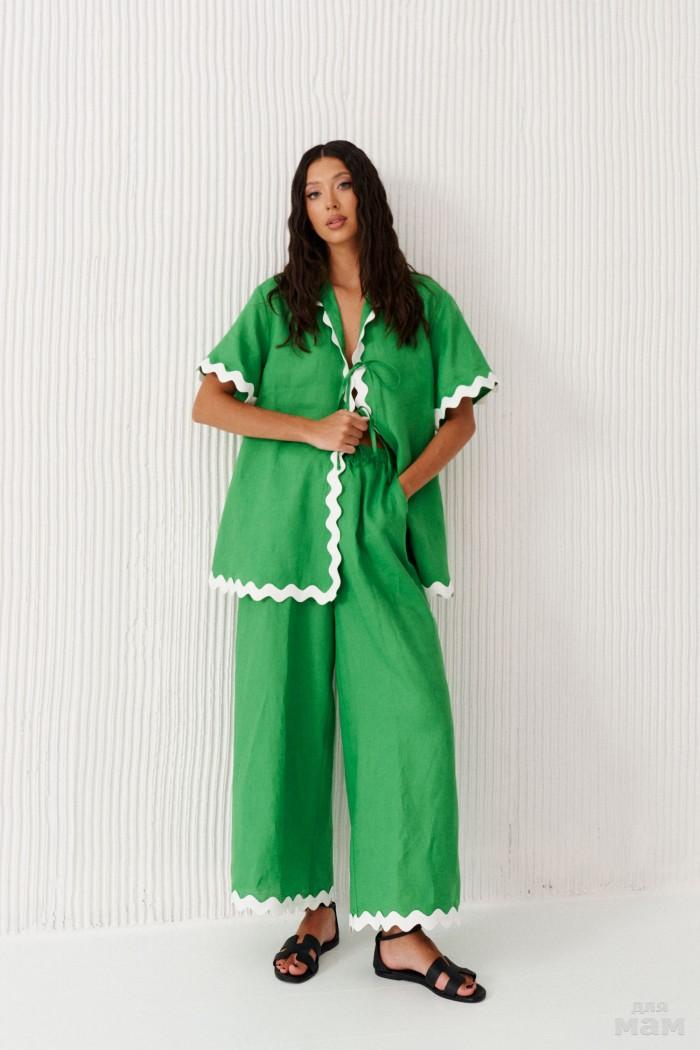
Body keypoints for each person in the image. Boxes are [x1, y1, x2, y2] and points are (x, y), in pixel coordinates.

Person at [192, 141, 499, 1003]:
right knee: (283, 722)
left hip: (379, 538)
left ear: (367, 197)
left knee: (408, 722)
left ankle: (401, 933)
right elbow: (209, 402)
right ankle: (313, 912)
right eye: (312, 192)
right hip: (280, 540)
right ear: (302, 210)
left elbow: (462, 418)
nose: (329, 203)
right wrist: (311, 428)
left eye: (343, 186)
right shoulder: (279, 303)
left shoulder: (421, 303)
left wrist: (398, 493)